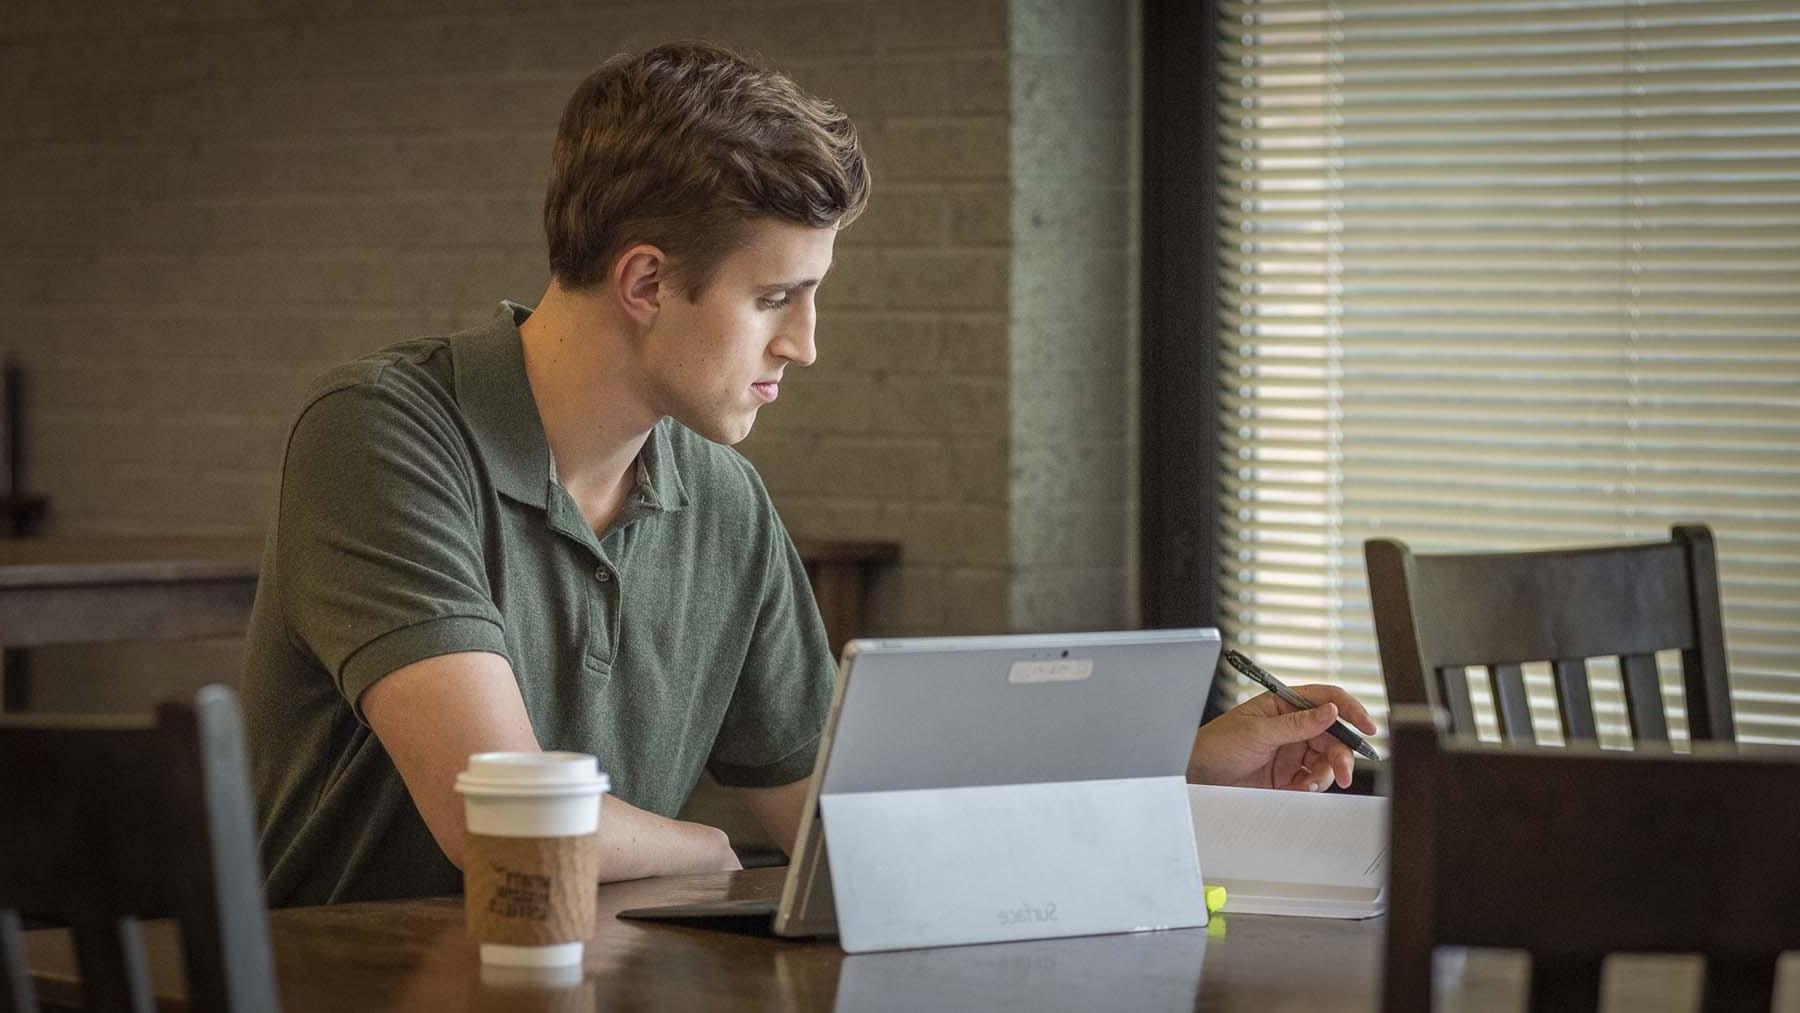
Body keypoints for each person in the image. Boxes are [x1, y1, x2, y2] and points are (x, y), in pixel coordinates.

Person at [240, 41, 1377, 908]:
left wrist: (1173, 766)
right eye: (776, 297)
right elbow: (510, 829)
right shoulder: (382, 436)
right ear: (645, 281)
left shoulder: (719, 500)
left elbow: (849, 812)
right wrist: (704, 842)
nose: (806, 344)